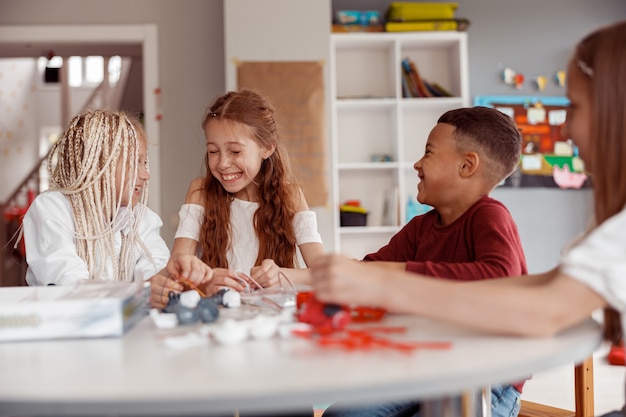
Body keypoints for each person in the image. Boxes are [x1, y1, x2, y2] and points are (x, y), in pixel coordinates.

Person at [311, 20, 626, 417]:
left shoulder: (492, 215)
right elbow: (540, 286)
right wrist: (334, 277)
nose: (565, 126)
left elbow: (542, 308)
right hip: (432, 361)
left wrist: (382, 285)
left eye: (575, 107)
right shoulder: (610, 229)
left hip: (482, 377)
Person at [321, 106, 528, 417]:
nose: (417, 163)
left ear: (467, 165)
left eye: (428, 153)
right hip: (427, 364)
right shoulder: (421, 227)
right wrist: (294, 275)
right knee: (341, 414)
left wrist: (395, 274)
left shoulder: (490, 215)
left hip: (489, 377)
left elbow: (498, 277)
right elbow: (366, 272)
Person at [151, 89, 325, 308]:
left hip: (272, 317)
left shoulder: (290, 196)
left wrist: (282, 275)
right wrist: (206, 280)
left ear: (267, 148)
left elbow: (324, 274)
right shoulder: (200, 192)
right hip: (215, 315)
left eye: (234, 151)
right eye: (213, 151)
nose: (223, 163)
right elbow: (178, 267)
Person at [23, 110, 212, 300]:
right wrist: (142, 291)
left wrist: (173, 277)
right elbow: (72, 285)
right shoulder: (52, 208)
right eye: (134, 163)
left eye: (144, 163)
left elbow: (153, 272)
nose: (146, 175)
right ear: (98, 165)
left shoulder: (143, 218)